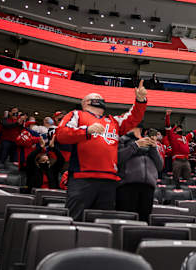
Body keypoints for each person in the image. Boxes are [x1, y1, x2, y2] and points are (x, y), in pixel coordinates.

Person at [55, 80, 147, 220]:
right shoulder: (77, 115)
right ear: (85, 102)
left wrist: (140, 101)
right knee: (75, 219)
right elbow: (61, 134)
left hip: (109, 180)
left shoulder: (113, 121)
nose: (100, 99)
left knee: (102, 222)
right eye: (96, 97)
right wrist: (86, 131)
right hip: (82, 177)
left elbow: (133, 118)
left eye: (101, 98)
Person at [116, 123, 162, 222]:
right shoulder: (122, 140)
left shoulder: (150, 143)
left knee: (144, 219)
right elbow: (118, 158)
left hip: (148, 186)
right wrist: (136, 145)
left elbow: (159, 165)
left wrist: (153, 148)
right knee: (127, 218)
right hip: (127, 185)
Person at [165, 109, 196, 188]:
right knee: (176, 178)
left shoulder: (185, 137)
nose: (180, 129)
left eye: (181, 128)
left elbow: (193, 133)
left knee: (187, 178)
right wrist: (167, 116)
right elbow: (168, 127)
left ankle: (186, 193)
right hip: (177, 160)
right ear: (174, 130)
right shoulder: (172, 136)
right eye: (178, 128)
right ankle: (176, 192)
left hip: (186, 160)